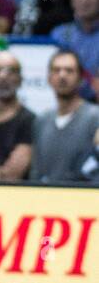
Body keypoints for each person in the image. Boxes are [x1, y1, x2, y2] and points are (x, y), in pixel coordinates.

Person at [31, 50, 99, 183]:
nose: (62, 75)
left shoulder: (96, 118)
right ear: (49, 78)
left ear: (81, 78)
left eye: (69, 70)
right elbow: (36, 170)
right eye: (56, 70)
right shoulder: (42, 120)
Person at [0, 51, 35, 182]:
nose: (2, 76)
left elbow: (11, 175)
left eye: (10, 71)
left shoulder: (29, 120)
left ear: (21, 79)